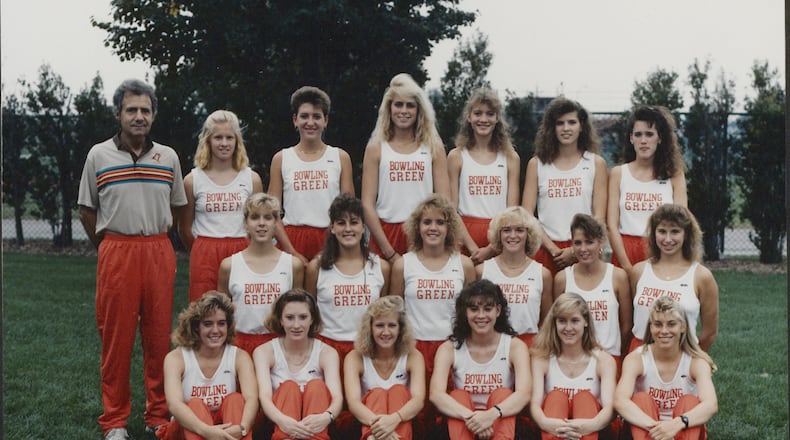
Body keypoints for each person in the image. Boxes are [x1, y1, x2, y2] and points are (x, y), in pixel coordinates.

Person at [78, 79, 188, 440]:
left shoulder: (168, 156)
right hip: (116, 251)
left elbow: (177, 207)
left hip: (157, 249)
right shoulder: (98, 155)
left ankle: (157, 415)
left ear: (153, 115)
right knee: (116, 340)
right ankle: (115, 421)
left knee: (158, 338)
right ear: (118, 114)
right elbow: (86, 209)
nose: (138, 116)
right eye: (131, 110)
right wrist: (109, 246)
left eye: (145, 110)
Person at [361, 73, 450, 262]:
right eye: (398, 104)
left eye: (410, 105)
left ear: (419, 110)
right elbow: (367, 204)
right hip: (385, 233)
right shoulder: (376, 147)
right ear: (389, 108)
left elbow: (444, 201)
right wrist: (388, 252)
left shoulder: (433, 147)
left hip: (424, 234)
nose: (404, 110)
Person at [430, 279, 531, 440]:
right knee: (458, 396)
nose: (481, 315)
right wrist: (473, 418)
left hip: (501, 420)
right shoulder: (449, 348)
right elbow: (436, 394)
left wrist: (491, 415)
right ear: (465, 312)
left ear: (498, 311)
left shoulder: (514, 346)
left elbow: (524, 394)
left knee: (503, 394)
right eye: (474, 309)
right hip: (464, 422)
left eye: (488, 309)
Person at [180, 110, 264, 302]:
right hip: (205, 252)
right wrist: (203, 250)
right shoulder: (193, 180)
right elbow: (184, 228)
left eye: (229, 137)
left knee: (242, 311)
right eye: (218, 137)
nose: (224, 143)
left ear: (237, 141)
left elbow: (260, 223)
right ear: (208, 141)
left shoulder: (251, 179)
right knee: (205, 314)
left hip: (242, 248)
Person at [389, 194, 475, 379]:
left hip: (453, 347)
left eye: (440, 222)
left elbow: (471, 312)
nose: (433, 228)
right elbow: (395, 314)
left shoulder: (465, 265)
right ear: (417, 227)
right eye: (427, 222)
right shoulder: (402, 265)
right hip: (413, 348)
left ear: (449, 227)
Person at [267, 86, 355, 264]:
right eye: (304, 116)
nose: (310, 122)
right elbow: (271, 212)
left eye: (317, 116)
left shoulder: (340, 157)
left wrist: (331, 248)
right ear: (295, 120)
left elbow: (348, 210)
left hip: (330, 238)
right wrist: (291, 252)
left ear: (326, 120)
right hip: (291, 238)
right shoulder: (281, 158)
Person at [522, 97, 607, 276]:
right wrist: (553, 249)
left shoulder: (596, 163)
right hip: (546, 250)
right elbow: (527, 215)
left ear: (581, 126)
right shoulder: (536, 164)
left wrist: (576, 249)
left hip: (583, 251)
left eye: (572, 122)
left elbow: (598, 217)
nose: (566, 128)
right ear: (551, 128)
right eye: (560, 123)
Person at [305, 193, 390, 371]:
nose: (348, 228)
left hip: (367, 350)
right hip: (327, 350)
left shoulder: (381, 268)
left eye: (354, 222)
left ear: (363, 227)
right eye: (341, 222)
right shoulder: (316, 267)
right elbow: (308, 314)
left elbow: (385, 316)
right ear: (332, 228)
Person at [615, 297, 718, 440]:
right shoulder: (637, 358)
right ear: (650, 327)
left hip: (682, 430)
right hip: (645, 429)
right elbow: (620, 400)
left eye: (671, 324)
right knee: (641, 399)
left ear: (682, 326)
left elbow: (711, 404)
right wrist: (658, 429)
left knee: (689, 401)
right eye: (657, 324)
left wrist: (676, 424)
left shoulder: (696, 361)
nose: (664, 331)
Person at [159, 292, 258, 440]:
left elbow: (252, 398)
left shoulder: (239, 356)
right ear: (196, 326)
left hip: (225, 427)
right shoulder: (176, 358)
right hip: (190, 428)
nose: (215, 330)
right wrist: (207, 431)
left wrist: (242, 428)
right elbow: (175, 405)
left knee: (235, 399)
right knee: (195, 405)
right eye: (208, 324)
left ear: (228, 325)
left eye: (221, 323)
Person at [217, 193, 304, 355]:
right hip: (240, 344)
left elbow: (298, 311)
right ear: (246, 223)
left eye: (268, 217)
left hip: (280, 345)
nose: (262, 223)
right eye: (255, 217)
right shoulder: (229, 265)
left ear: (276, 223)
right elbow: (222, 316)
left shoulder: (292, 265)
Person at [253, 289, 343, 440]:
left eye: (303, 317)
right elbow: (264, 397)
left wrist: (327, 416)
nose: (296, 325)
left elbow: (337, 397)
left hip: (316, 426)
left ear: (312, 319)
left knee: (316, 385)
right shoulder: (264, 351)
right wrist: (283, 421)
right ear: (280, 320)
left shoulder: (327, 352)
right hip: (280, 424)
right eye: (289, 318)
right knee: (288, 386)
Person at [607, 105, 687, 274]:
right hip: (625, 253)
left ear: (659, 138)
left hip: (662, 252)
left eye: (649, 134)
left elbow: (682, 222)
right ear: (631, 138)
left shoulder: (674, 175)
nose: (643, 140)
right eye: (638, 134)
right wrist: (627, 267)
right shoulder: (618, 174)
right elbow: (612, 226)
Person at [629, 205, 718, 353]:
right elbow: (629, 322)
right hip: (640, 355)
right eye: (662, 231)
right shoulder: (638, 271)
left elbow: (709, 333)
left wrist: (690, 359)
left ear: (686, 234)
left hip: (681, 355)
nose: (668, 239)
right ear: (653, 234)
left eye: (675, 231)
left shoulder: (702, 276)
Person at [529, 293, 617, 440]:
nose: (568, 328)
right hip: (552, 428)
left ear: (586, 322)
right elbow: (535, 405)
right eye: (562, 321)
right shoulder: (541, 359)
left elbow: (609, 409)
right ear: (554, 323)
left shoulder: (604, 360)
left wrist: (587, 426)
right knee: (555, 398)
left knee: (584, 398)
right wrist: (547, 424)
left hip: (590, 430)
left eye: (575, 321)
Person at [447, 88, 520, 264]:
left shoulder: (511, 158)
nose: (483, 119)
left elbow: (512, 211)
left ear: (497, 118)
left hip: (499, 237)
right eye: (478, 113)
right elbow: (451, 209)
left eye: (490, 114)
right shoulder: (456, 156)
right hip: (464, 235)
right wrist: (472, 248)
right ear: (469, 117)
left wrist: (491, 248)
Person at [344, 296, 426, 440]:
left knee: (398, 391)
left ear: (401, 329)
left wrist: (394, 419)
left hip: (400, 422)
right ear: (370, 328)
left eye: (392, 325)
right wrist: (382, 427)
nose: (386, 332)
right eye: (380, 325)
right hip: (369, 424)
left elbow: (418, 400)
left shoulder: (413, 355)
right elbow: (353, 402)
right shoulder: (355, 357)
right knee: (377, 393)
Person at [554, 214, 631, 365]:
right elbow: (554, 322)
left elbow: (627, 324)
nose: (583, 249)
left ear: (600, 242)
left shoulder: (618, 277)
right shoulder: (562, 279)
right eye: (577, 243)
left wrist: (612, 352)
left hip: (609, 358)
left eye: (589, 242)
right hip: (573, 360)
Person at [476, 206, 553, 347]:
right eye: (506, 230)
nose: (512, 236)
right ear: (498, 234)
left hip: (529, 345)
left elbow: (546, 321)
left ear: (529, 234)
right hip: (492, 345)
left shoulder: (543, 274)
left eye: (519, 230)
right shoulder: (482, 271)